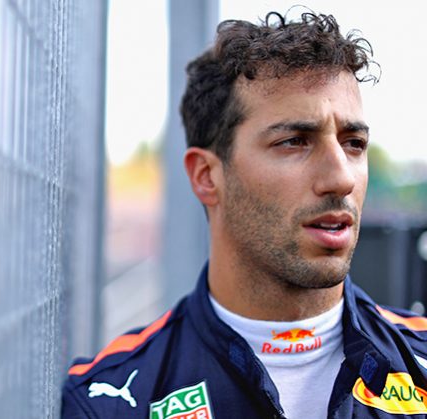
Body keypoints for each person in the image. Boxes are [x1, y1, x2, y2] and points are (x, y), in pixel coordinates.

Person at [62, 10, 427, 419]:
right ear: (206, 176)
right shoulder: (109, 400)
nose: (341, 178)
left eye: (353, 143)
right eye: (294, 141)